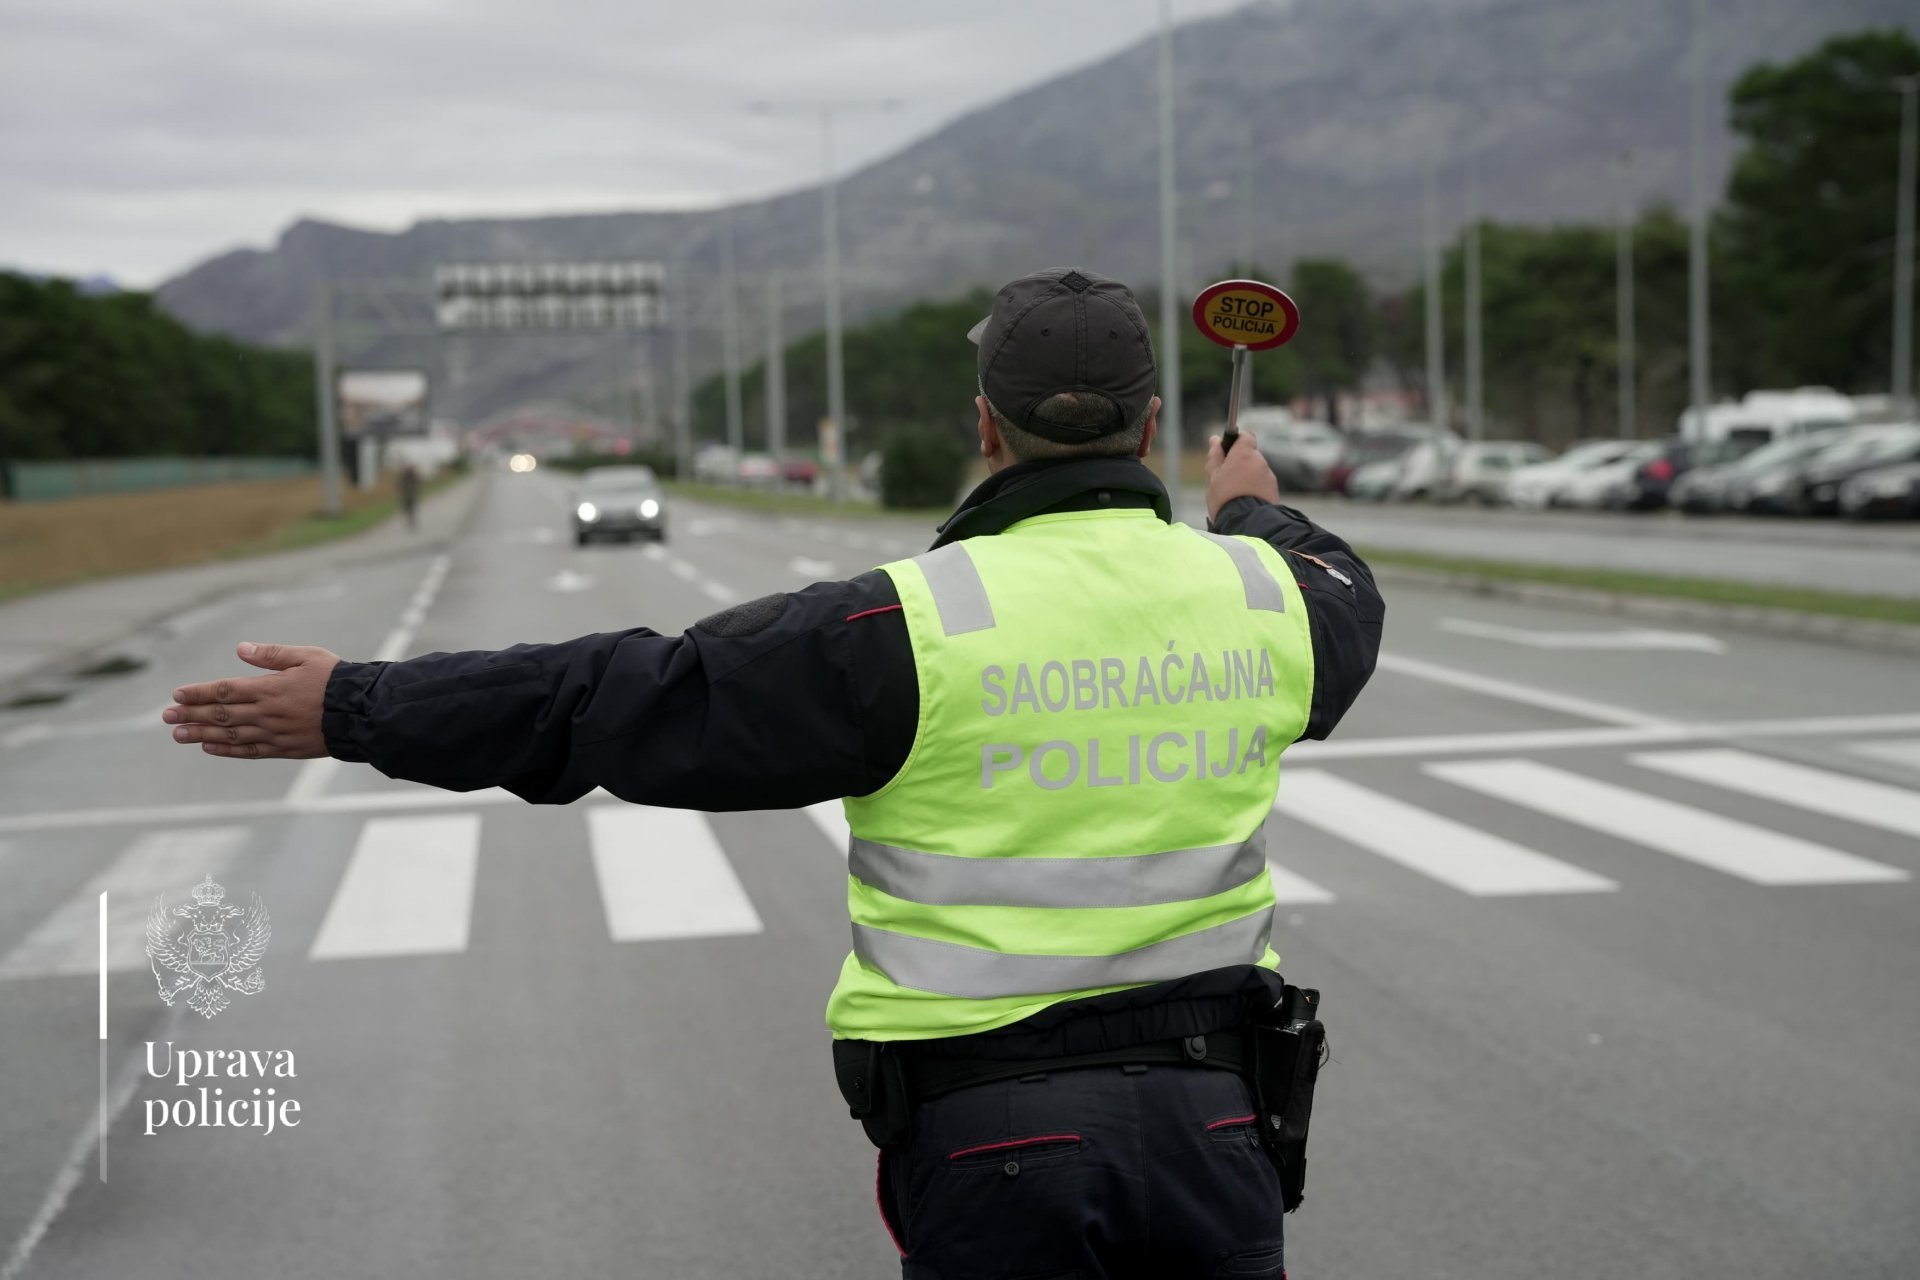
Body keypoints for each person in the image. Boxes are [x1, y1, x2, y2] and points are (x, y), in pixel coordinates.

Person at [162, 267, 1384, 1276]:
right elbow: (1346, 593)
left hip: (991, 1138)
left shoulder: (904, 622)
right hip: (1219, 1127)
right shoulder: (1266, 595)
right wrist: (1253, 513)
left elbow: (614, 696)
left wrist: (356, 703)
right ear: (1154, 424)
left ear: (986, 426)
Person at [397, 461, 421, 531]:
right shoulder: (405, 476)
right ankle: (410, 520)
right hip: (407, 495)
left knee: (411, 509)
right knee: (408, 509)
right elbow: (400, 484)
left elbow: (418, 483)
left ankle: (411, 520)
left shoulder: (413, 476)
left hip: (411, 495)